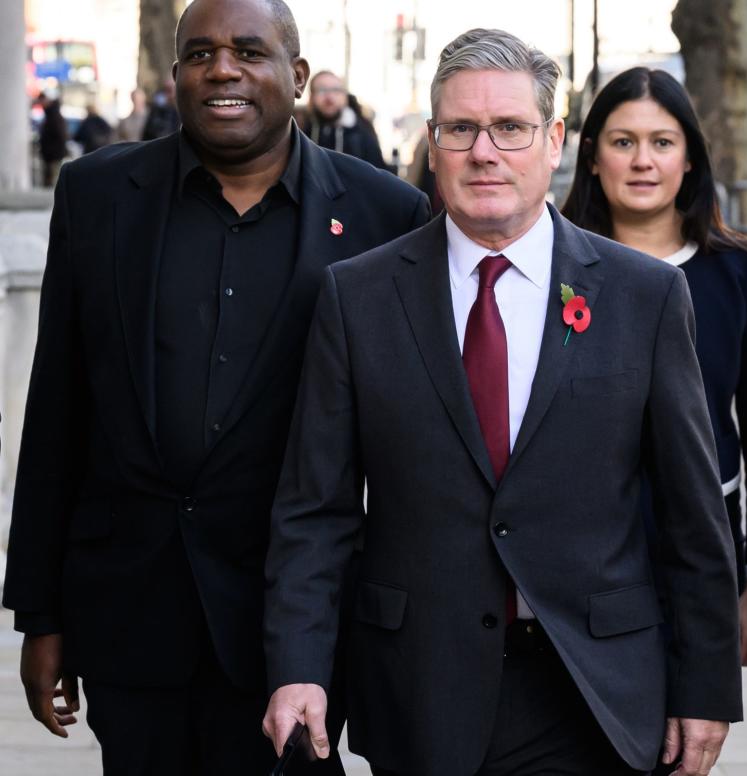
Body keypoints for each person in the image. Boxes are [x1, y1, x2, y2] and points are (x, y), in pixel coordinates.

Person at [261, 28, 742, 776]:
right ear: (433, 141)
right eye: (461, 129)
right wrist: (298, 666)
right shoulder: (357, 297)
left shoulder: (643, 297)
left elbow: (692, 518)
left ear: (553, 140)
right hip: (420, 687)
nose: (484, 152)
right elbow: (314, 510)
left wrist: (706, 687)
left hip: (593, 692)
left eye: (510, 128)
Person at [2, 0, 430, 773]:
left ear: (296, 76)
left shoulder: (385, 214)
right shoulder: (98, 196)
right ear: (176, 78)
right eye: (200, 53)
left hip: (295, 625)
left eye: (248, 51)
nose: (222, 68)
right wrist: (40, 612)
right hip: (130, 617)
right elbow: (58, 409)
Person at [561, 66, 747, 675]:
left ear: (689, 158)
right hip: (569, 554)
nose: (643, 161)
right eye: (622, 141)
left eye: (662, 142)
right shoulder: (550, 270)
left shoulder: (735, 275)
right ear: (590, 156)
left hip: (698, 551)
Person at [300, 70, 387, 169]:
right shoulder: (302, 130)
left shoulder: (362, 130)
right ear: (311, 97)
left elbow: (377, 173)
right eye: (322, 90)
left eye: (336, 90)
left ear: (345, 96)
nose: (329, 97)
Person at [37, 96, 68, 188]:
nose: (42, 104)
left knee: (53, 178)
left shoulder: (53, 117)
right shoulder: (52, 116)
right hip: (51, 152)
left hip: (53, 153)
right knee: (50, 177)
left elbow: (60, 135)